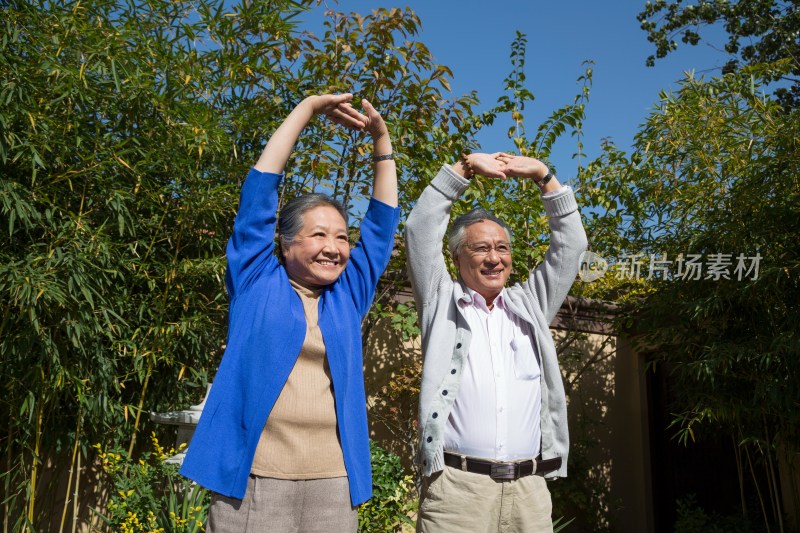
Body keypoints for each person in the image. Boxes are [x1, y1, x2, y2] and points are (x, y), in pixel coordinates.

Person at [180, 93, 400, 532]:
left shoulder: (347, 294)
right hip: (255, 479)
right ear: (285, 243)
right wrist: (306, 110)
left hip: (334, 483)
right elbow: (260, 190)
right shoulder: (257, 280)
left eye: (341, 237)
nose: (334, 247)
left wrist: (381, 141)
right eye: (319, 234)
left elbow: (381, 226)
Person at [405, 152, 587, 533]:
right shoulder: (442, 301)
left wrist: (544, 176)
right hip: (456, 493)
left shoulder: (531, 304)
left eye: (502, 248)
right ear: (457, 257)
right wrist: (465, 169)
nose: (494, 258)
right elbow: (421, 230)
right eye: (481, 248)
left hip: (530, 491)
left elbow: (571, 246)